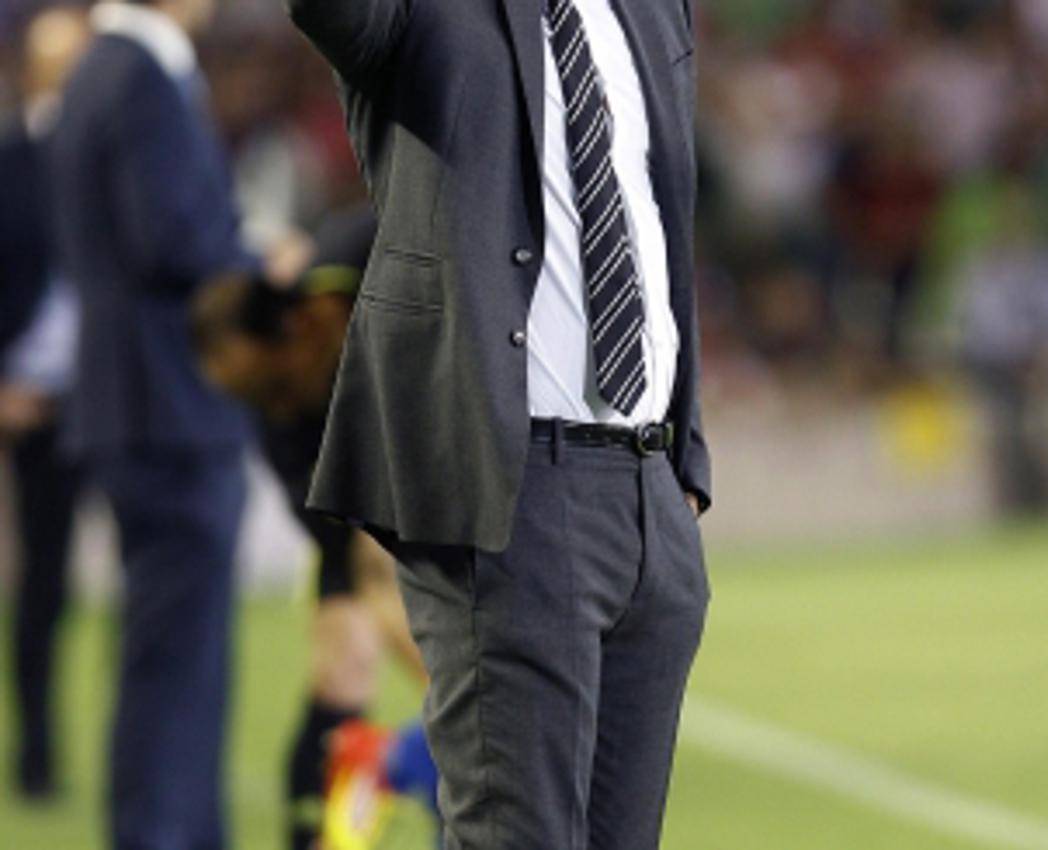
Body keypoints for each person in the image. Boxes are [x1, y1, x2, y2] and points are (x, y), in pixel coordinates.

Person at [286, 1, 712, 848]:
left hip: (650, 493)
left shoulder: (652, 8)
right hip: (513, 486)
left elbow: (658, 214)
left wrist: (681, 466)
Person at [49, 0, 261, 847]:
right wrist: (261, 260)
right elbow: (172, 237)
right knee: (178, 666)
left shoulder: (101, 67)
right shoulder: (138, 73)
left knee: (169, 660)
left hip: (134, 403)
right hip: (168, 406)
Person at [192, 209, 438, 850]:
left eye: (265, 378)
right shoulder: (288, 427)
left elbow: (388, 210)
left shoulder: (336, 273)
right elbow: (360, 561)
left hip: (436, 456)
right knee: (352, 663)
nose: (267, 400)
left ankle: (389, 769)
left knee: (458, 690)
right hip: (387, 510)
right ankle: (375, 779)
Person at [0, 5, 90, 801]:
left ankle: (145, 750)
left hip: (116, 398)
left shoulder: (108, 150)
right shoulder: (8, 158)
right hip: (38, 403)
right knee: (45, 590)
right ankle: (38, 755)